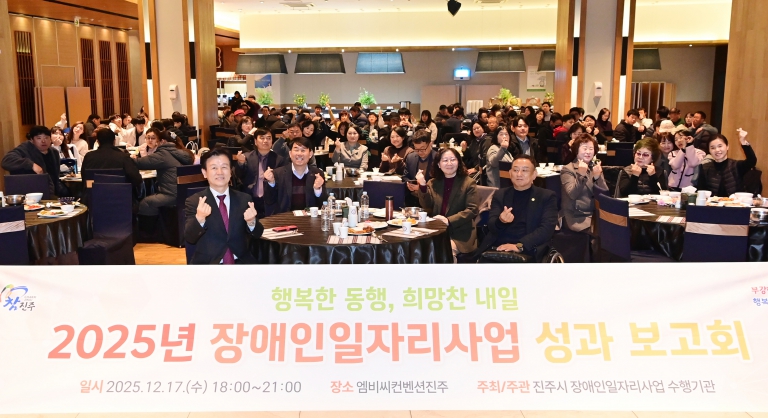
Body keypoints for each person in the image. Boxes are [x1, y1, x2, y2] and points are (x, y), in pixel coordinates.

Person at [184, 148, 263, 264]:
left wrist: (252, 222)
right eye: (214, 168)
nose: (220, 172)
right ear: (204, 173)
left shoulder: (244, 199)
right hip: (209, 265)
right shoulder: (195, 201)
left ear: (231, 171)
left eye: (224, 167)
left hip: (241, 263)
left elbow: (258, 234)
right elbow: (190, 238)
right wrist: (199, 219)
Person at [472, 155, 558, 261]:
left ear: (534, 174)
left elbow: (546, 229)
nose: (519, 174)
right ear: (510, 173)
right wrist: (501, 221)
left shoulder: (546, 196)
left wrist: (519, 245)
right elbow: (491, 226)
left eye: (524, 170)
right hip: (498, 246)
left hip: (529, 247)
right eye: (515, 170)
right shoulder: (500, 194)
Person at [413, 147, 479, 258]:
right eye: (445, 160)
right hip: (436, 231)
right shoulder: (433, 182)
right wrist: (423, 185)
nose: (449, 163)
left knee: (445, 252)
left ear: (458, 162)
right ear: (438, 164)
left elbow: (472, 210)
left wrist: (448, 220)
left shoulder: (468, 183)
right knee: (416, 250)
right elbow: (426, 205)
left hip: (460, 234)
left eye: (453, 159)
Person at [133, 130, 194, 232]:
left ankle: (150, 234)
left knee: (146, 203)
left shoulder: (163, 154)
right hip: (186, 193)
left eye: (157, 140)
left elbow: (139, 163)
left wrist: (126, 158)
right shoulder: (183, 153)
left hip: (172, 195)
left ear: (162, 141)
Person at [263, 137, 328, 215]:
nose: (299, 153)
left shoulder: (317, 174)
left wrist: (317, 189)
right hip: (286, 218)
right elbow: (269, 201)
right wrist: (271, 183)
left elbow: (324, 203)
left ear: (310, 154)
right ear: (290, 154)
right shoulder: (278, 173)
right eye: (296, 150)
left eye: (303, 150)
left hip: (310, 218)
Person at [2, 125, 69, 197]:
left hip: (50, 193)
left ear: (50, 139)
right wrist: (31, 164)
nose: (43, 141)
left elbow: (55, 178)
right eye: (39, 138)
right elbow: (6, 160)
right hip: (28, 193)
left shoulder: (54, 152)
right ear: (32, 140)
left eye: (46, 138)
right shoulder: (25, 148)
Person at [560, 134, 608, 233]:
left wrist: (598, 177)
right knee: (603, 233)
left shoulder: (594, 167)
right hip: (576, 217)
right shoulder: (568, 169)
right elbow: (572, 194)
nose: (588, 152)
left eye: (591, 149)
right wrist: (580, 175)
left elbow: (605, 195)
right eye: (585, 148)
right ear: (576, 150)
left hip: (596, 215)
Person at [234, 129, 286, 218]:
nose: (265, 141)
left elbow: (282, 183)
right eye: (262, 138)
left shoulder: (279, 160)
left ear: (272, 141)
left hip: (270, 200)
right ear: (255, 141)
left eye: (268, 138)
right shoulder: (246, 157)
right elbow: (239, 176)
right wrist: (241, 163)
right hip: (250, 199)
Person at [697, 129, 757, 197]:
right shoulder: (704, 167)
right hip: (712, 203)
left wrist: (743, 141)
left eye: (720, 146)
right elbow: (701, 190)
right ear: (709, 150)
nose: (717, 150)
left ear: (727, 146)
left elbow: (752, 161)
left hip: (735, 203)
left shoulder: (736, 165)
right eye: (712, 148)